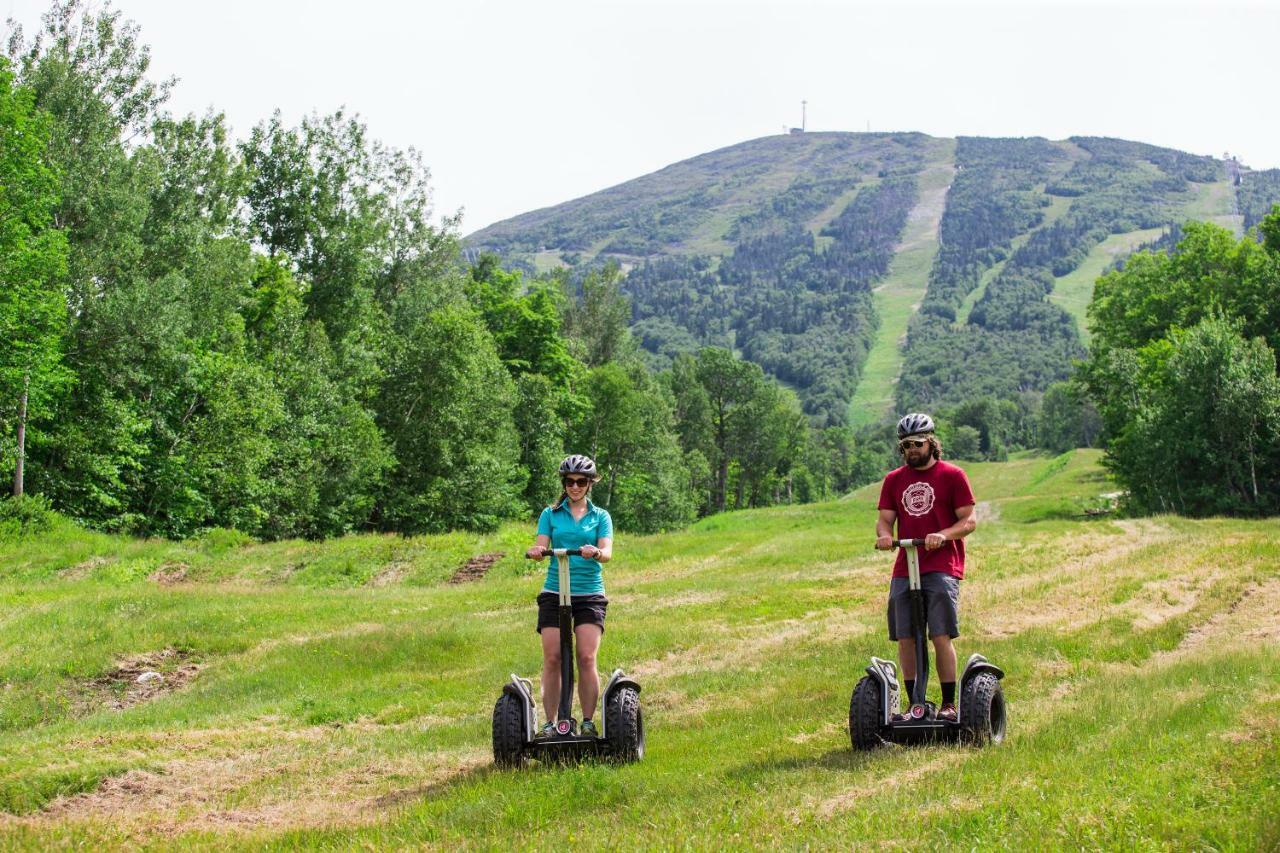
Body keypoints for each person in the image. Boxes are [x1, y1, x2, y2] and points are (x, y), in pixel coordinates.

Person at [874, 413, 976, 723]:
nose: (911, 450)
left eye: (917, 444)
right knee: (905, 635)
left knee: (940, 635)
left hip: (943, 564)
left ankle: (948, 704)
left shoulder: (952, 475)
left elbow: (969, 520)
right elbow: (885, 519)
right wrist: (884, 536)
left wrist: (943, 535)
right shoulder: (894, 480)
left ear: (931, 443)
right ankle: (914, 704)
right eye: (905, 446)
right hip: (906, 565)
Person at [524, 454, 614, 738]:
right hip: (554, 590)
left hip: (588, 593)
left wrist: (596, 552)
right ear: (564, 483)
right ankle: (551, 724)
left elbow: (607, 553)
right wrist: (537, 552)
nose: (575, 486)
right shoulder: (550, 514)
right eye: (570, 481)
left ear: (590, 484)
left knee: (586, 657)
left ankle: (587, 723)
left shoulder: (601, 516)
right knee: (552, 658)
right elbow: (540, 545)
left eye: (581, 481)